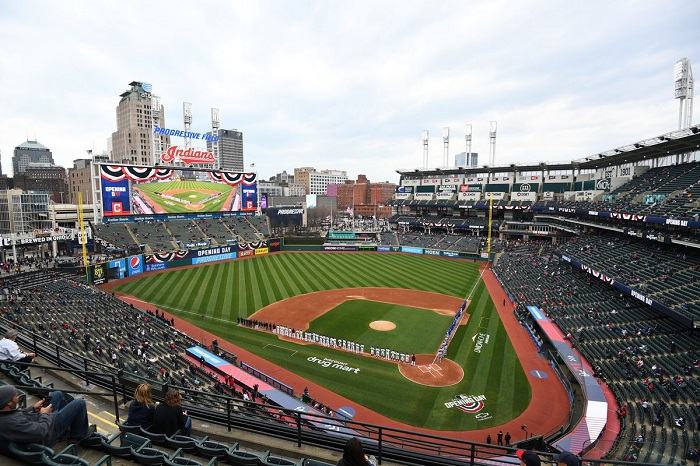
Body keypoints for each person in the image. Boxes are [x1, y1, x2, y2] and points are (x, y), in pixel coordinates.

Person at [0, 385, 95, 446]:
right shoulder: (11, 422)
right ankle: (77, 437)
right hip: (48, 432)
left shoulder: (5, 414)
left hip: (39, 421)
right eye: (15, 396)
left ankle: (69, 422)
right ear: (8, 403)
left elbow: (19, 414)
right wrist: (44, 414)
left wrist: (33, 408)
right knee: (80, 403)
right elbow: (40, 432)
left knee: (56, 394)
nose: (18, 398)